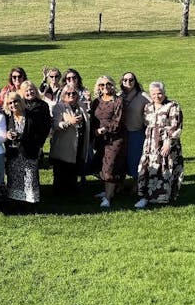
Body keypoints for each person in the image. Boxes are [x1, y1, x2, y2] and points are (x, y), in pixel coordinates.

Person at [135, 82, 184, 209]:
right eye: (154, 94)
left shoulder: (172, 106)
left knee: (165, 169)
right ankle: (145, 197)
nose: (157, 96)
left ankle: (163, 196)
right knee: (147, 168)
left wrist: (168, 143)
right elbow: (147, 124)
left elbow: (176, 127)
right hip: (150, 143)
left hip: (166, 142)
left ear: (164, 93)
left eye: (159, 93)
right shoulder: (148, 107)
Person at [3, 90, 46, 211]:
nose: (13, 105)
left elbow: (39, 134)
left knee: (30, 177)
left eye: (16, 101)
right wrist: (7, 135)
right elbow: (1, 132)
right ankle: (16, 202)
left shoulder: (30, 115)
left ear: (20, 101)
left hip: (29, 151)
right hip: (13, 153)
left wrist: (22, 137)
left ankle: (31, 203)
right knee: (15, 177)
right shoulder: (7, 117)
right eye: (10, 103)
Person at [90, 76, 127, 208]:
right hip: (100, 139)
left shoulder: (118, 101)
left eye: (107, 84)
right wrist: (95, 132)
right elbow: (92, 120)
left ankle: (107, 198)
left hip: (114, 138)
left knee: (109, 166)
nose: (105, 87)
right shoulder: (96, 102)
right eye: (101, 85)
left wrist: (104, 129)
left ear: (112, 85)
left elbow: (118, 120)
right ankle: (110, 189)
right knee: (99, 165)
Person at [49, 86, 90, 196]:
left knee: (74, 167)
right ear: (63, 95)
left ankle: (72, 190)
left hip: (79, 142)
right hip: (63, 144)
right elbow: (56, 124)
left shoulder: (81, 106)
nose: (71, 95)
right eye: (68, 93)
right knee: (61, 170)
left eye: (74, 93)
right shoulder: (59, 107)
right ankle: (59, 194)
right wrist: (69, 122)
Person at [120, 72, 150, 183]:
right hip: (122, 133)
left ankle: (138, 184)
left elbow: (155, 105)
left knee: (135, 160)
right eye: (125, 80)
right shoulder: (120, 95)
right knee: (122, 160)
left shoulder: (142, 96)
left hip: (136, 132)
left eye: (131, 80)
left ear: (135, 81)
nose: (128, 82)